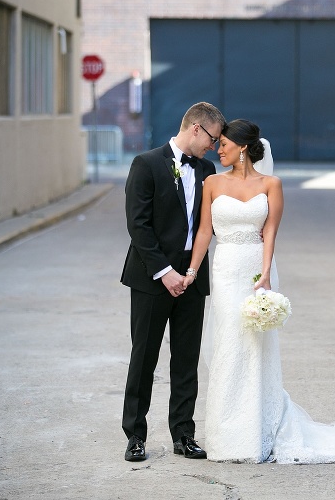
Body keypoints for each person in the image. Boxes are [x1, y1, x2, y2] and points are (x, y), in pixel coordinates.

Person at [183, 119, 335, 464]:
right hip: (225, 270)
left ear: (242, 147)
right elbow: (203, 233)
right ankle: (226, 436)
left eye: (224, 143)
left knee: (256, 349)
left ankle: (257, 433)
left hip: (254, 267)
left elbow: (270, 232)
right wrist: (193, 271)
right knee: (229, 346)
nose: (218, 149)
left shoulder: (272, 184)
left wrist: (266, 276)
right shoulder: (212, 182)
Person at [120, 102, 226, 462]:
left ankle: (184, 434)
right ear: (195, 128)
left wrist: (190, 272)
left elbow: (205, 226)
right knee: (144, 357)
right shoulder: (146, 164)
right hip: (153, 277)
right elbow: (139, 226)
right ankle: (135, 435)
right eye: (212, 138)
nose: (213, 146)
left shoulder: (207, 169)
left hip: (192, 277)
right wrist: (166, 272)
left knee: (186, 360)